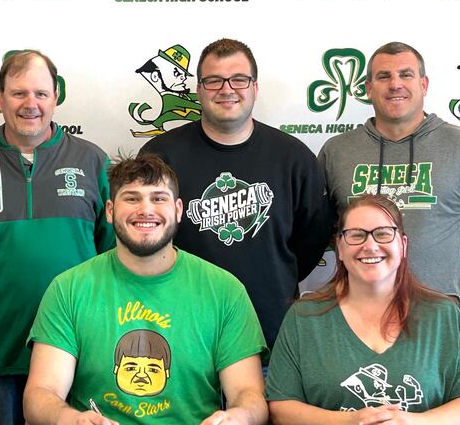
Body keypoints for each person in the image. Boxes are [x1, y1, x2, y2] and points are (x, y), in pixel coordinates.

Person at [24, 154, 268, 425]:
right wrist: (68, 421)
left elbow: (249, 395)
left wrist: (239, 418)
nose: (145, 210)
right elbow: (40, 394)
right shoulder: (69, 288)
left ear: (178, 210)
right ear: (111, 211)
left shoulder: (225, 290)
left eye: (158, 198)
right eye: (132, 198)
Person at [0, 49, 114, 425]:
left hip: (75, 351)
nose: (30, 104)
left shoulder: (92, 162)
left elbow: (106, 250)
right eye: (18, 93)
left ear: (57, 96)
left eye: (40, 93)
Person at [140, 38, 333, 348]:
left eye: (239, 79)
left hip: (269, 333)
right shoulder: (161, 154)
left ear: (254, 87)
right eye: (214, 80)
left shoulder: (293, 158)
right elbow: (143, 235)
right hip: (181, 334)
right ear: (199, 90)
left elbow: (311, 242)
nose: (227, 89)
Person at [266, 195, 460, 425]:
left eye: (383, 234)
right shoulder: (304, 317)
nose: (370, 246)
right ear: (339, 248)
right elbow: (281, 408)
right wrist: (345, 423)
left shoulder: (443, 316)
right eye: (356, 235)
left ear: (403, 245)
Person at [319, 41, 460, 324]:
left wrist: (450, 284)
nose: (395, 84)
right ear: (368, 88)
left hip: (440, 322)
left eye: (405, 75)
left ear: (424, 84)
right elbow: (325, 230)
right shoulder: (337, 151)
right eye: (384, 76)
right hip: (359, 320)